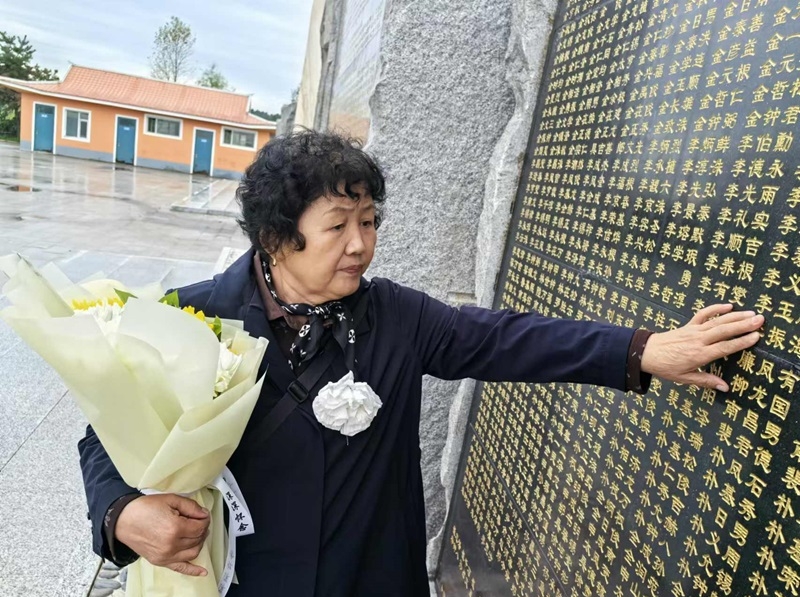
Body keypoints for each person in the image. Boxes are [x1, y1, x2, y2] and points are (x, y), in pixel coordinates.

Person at [79, 130, 764, 597]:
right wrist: (121, 512)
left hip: (373, 577)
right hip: (239, 578)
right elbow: (104, 428)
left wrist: (643, 349)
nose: (360, 244)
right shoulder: (189, 315)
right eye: (339, 225)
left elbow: (506, 339)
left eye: (370, 221)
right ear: (276, 238)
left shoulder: (396, 317)